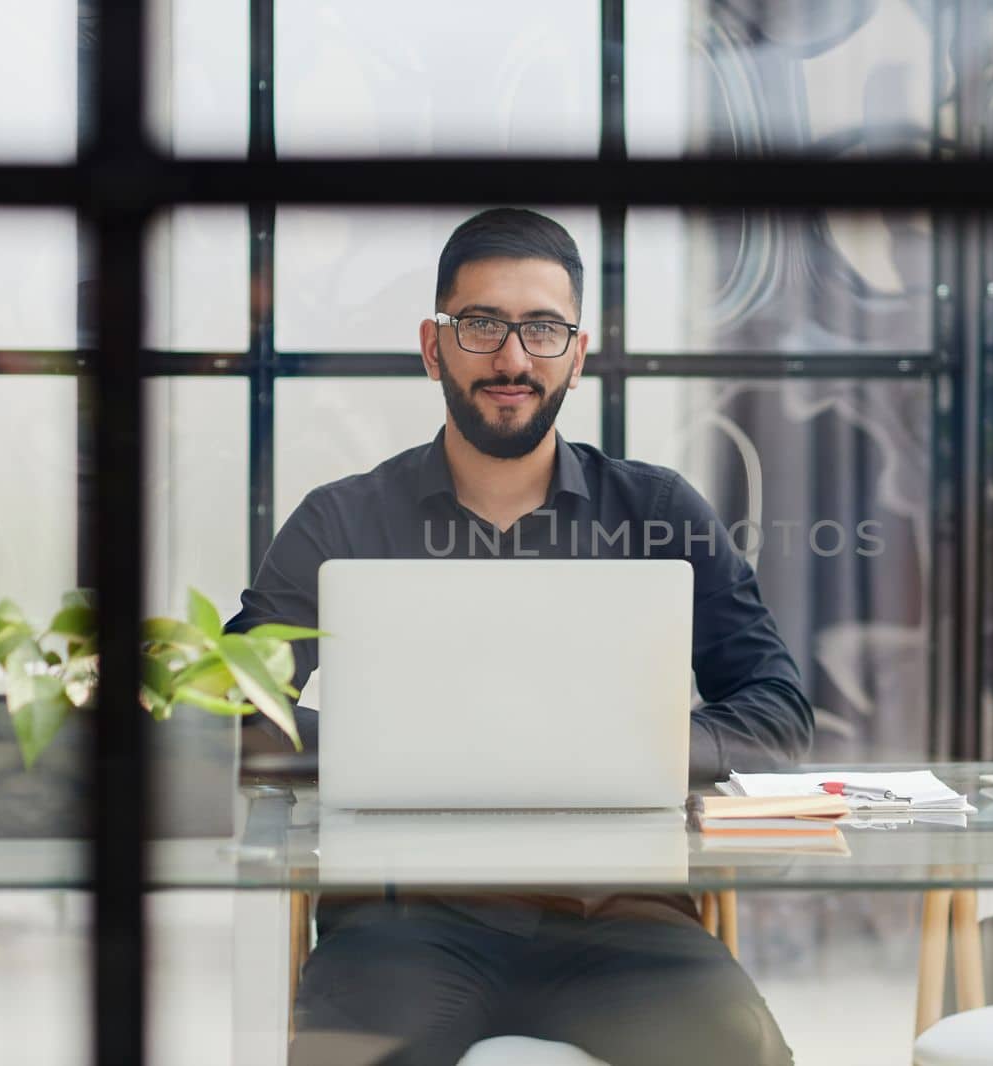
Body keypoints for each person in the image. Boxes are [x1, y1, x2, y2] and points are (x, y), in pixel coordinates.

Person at [227, 208, 810, 1066]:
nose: (511, 359)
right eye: (481, 326)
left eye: (542, 329)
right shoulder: (340, 521)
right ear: (434, 348)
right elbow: (234, 709)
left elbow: (779, 715)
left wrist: (634, 751)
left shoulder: (657, 513)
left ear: (576, 355)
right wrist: (388, 753)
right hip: (401, 924)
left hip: (622, 922)